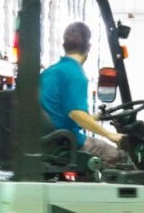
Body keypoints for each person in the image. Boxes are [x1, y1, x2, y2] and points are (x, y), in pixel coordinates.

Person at [40, 21, 126, 163]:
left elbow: (57, 114)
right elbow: (75, 114)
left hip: (47, 139)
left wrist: (94, 118)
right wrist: (110, 135)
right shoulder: (75, 74)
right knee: (121, 158)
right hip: (65, 141)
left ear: (64, 46)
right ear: (89, 47)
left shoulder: (49, 72)